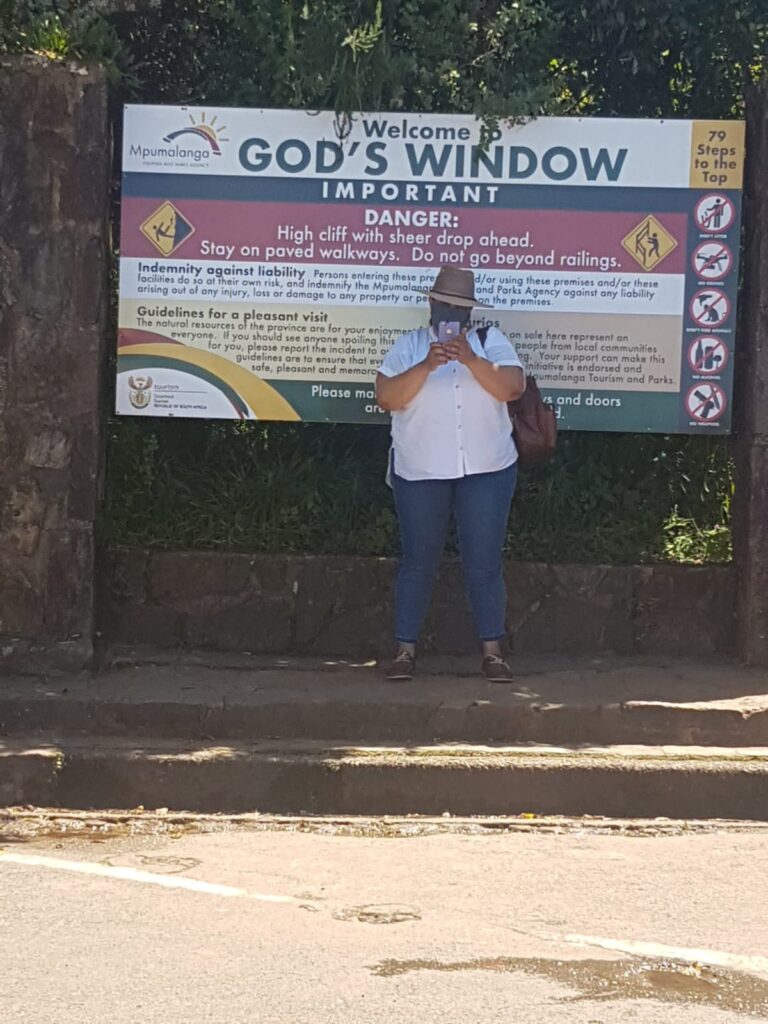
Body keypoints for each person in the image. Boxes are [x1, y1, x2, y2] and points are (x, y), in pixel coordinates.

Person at [376, 266, 526, 683]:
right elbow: (386, 397)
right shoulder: (409, 346)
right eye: (444, 304)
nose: (451, 313)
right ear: (431, 303)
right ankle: (404, 652)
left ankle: (493, 654)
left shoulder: (490, 342)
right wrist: (427, 365)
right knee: (418, 561)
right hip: (421, 470)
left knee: (484, 562)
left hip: (487, 470)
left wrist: (471, 360)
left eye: (459, 308)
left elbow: (513, 387)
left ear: (470, 312)